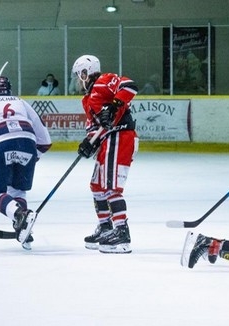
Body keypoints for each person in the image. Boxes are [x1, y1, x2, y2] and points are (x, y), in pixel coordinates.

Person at [71, 54, 139, 254]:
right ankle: (106, 227)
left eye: (78, 75)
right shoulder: (87, 99)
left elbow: (129, 86)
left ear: (86, 72)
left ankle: (121, 233)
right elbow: (94, 126)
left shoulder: (103, 81)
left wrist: (115, 104)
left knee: (111, 186)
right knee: (97, 185)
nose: (77, 79)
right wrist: (89, 142)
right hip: (108, 139)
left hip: (120, 136)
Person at [0, 76, 52, 248]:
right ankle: (24, 228)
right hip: (27, 142)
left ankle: (18, 215)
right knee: (18, 191)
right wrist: (31, 158)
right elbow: (45, 140)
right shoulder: (21, 102)